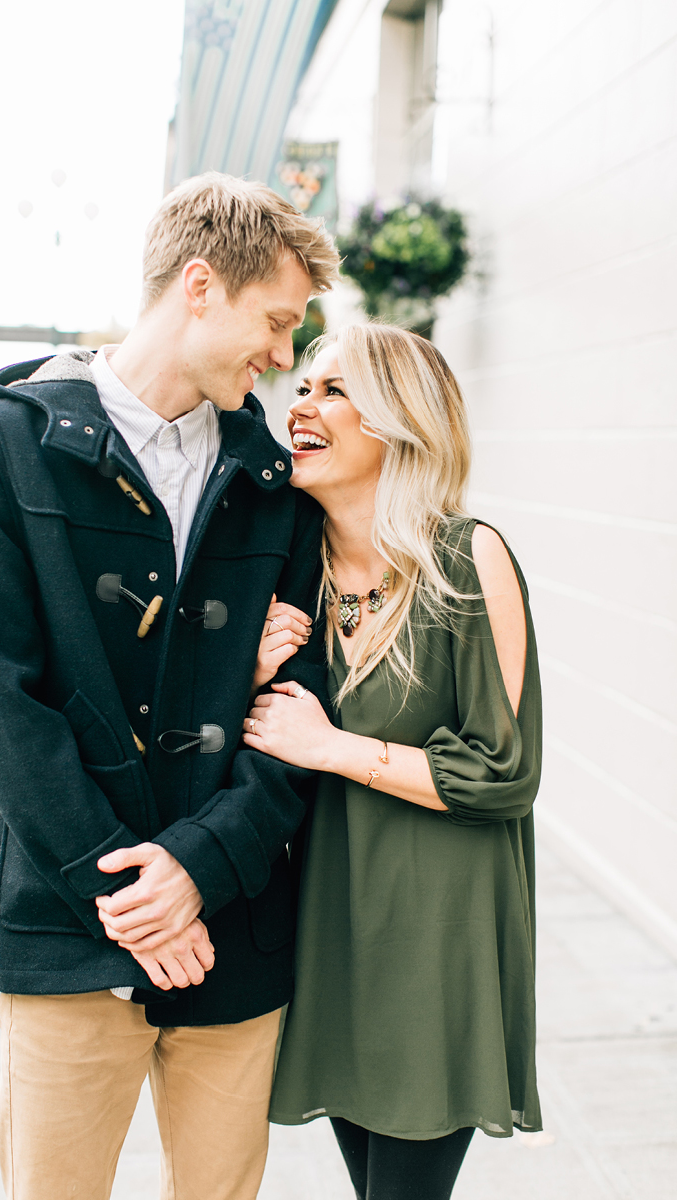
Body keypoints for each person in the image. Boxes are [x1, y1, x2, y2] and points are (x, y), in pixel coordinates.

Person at [0, 172, 340, 1200]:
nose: (284, 358)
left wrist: (196, 872)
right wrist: (132, 895)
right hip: (69, 928)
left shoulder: (275, 484)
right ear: (199, 286)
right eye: (277, 321)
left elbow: (295, 720)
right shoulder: (1, 446)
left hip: (235, 931)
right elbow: (0, 701)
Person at [244, 323, 543, 1200]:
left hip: (436, 934)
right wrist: (251, 672)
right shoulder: (292, 569)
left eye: (334, 390)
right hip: (330, 927)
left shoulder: (467, 557)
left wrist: (335, 748)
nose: (302, 404)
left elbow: (501, 771)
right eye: (302, 387)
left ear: (399, 421)